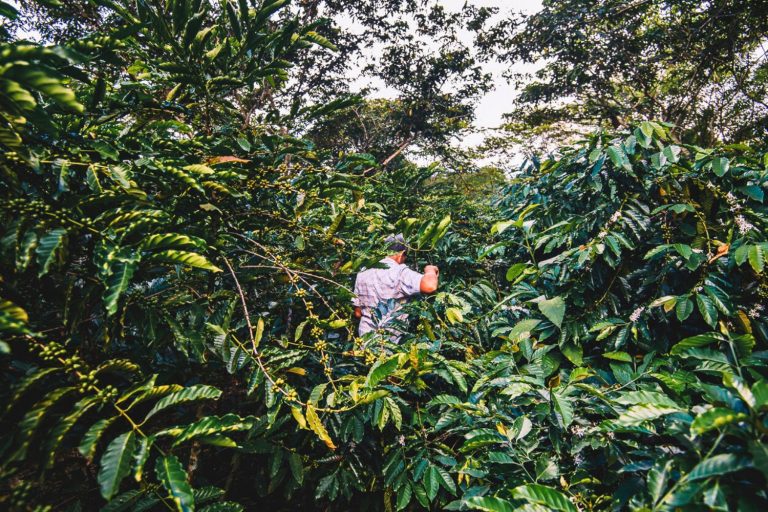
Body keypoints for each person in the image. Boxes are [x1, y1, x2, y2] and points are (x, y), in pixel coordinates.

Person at [352, 234, 439, 339]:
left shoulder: (363, 271)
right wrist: (430, 270)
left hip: (365, 338)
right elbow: (430, 286)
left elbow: (358, 313)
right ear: (402, 254)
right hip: (389, 341)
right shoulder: (399, 272)